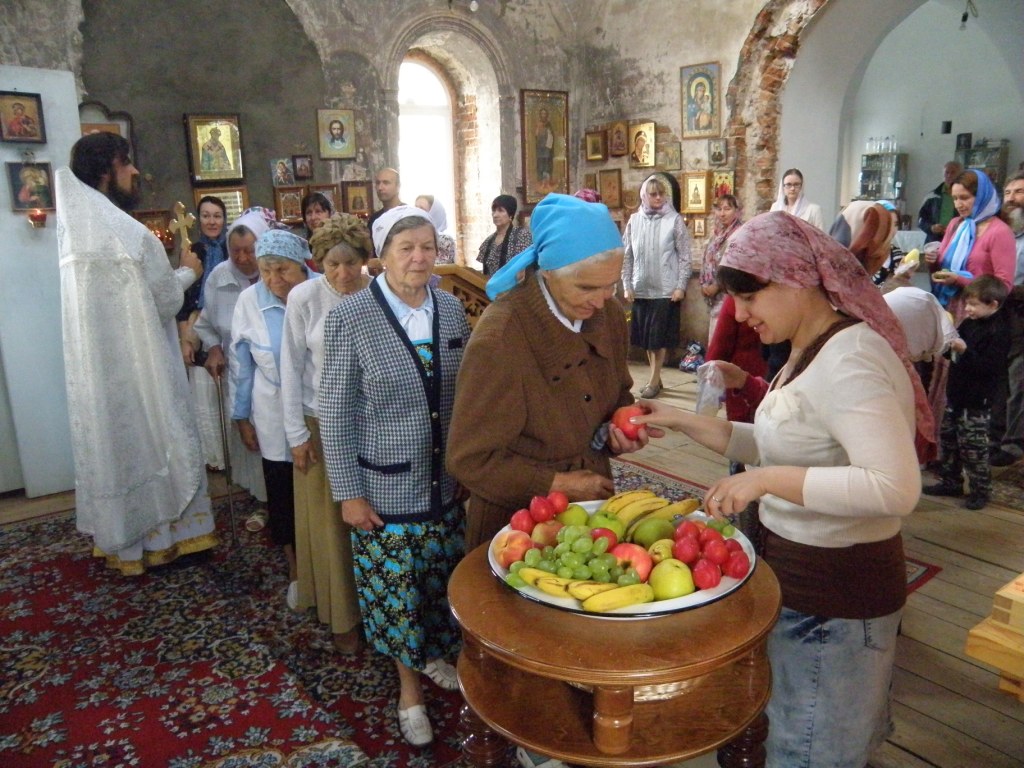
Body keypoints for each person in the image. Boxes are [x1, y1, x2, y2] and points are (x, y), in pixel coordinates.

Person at [634, 210, 932, 768]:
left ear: (793, 278)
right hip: (803, 586)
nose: (740, 316)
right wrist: (679, 420)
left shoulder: (851, 361)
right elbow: (778, 440)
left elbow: (894, 488)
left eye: (748, 299)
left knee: (811, 750)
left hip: (836, 600)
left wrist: (764, 483)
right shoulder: (812, 344)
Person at [318, 205, 471, 746]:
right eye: (406, 247)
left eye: (427, 246)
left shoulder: (451, 312)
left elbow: (468, 395)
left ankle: (436, 656)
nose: (419, 257)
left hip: (445, 480)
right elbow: (334, 412)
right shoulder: (349, 317)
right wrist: (348, 493)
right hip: (385, 487)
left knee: (440, 579)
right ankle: (409, 691)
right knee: (397, 593)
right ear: (380, 257)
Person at [54, 132, 217, 574]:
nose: (135, 172)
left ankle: (125, 544)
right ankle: (172, 538)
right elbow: (163, 300)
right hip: (143, 365)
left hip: (101, 371)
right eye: (128, 164)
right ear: (108, 168)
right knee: (157, 436)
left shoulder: (77, 230)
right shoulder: (126, 231)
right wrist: (189, 270)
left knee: (119, 444)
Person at [449, 193, 648, 550]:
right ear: (549, 271)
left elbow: (618, 394)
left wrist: (619, 427)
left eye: (611, 285)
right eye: (587, 287)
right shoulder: (501, 338)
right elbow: (470, 460)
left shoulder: (609, 316)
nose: (603, 299)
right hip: (516, 528)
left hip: (592, 514)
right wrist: (558, 483)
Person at [281, 213, 370, 653]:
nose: (342, 273)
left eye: (350, 262)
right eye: (332, 264)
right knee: (330, 529)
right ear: (318, 262)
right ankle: (341, 619)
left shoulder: (377, 293)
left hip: (370, 423)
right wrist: (296, 433)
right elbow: (290, 367)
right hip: (319, 424)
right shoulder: (304, 298)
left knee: (368, 522)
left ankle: (375, 610)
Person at [230, 230, 311, 607]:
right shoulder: (249, 302)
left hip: (317, 409)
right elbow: (242, 365)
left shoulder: (318, 290)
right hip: (272, 409)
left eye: (283, 270)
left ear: (302, 265)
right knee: (282, 491)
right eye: (266, 271)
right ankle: (295, 567)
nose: (275, 280)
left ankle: (328, 565)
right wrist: (242, 416)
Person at [191, 208, 277, 526]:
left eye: (250, 251)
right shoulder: (219, 277)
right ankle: (262, 502)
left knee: (277, 440)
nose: (242, 258)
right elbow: (205, 324)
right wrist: (214, 348)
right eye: (235, 251)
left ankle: (283, 503)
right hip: (240, 375)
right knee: (251, 441)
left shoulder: (277, 273)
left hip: (274, 376)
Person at [923, 276, 1010, 510]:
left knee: (973, 447)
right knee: (949, 440)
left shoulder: (1000, 330)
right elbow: (955, 353)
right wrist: (946, 346)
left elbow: (988, 367)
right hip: (957, 393)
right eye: (967, 304)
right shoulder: (970, 323)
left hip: (977, 400)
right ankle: (951, 481)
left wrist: (964, 350)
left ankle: (981, 490)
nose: (968, 309)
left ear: (993, 304)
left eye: (974, 305)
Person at [621, 174, 692, 398]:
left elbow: (685, 257)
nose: (659, 198)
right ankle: (657, 377)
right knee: (647, 340)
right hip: (641, 288)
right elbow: (627, 256)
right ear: (644, 195)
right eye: (653, 194)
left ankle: (652, 381)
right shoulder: (634, 221)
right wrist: (627, 284)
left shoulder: (674, 220)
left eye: (662, 194)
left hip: (665, 290)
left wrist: (680, 285)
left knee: (658, 339)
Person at [177, 195, 229, 470]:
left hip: (228, 328)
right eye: (206, 215)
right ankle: (215, 459)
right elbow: (183, 298)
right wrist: (186, 339)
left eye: (217, 215)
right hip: (198, 327)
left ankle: (237, 455)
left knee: (231, 396)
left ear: (225, 218)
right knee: (205, 397)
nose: (212, 221)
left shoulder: (235, 249)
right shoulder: (193, 251)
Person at [991, 172, 1024, 466]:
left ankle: (1013, 443)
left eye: (1020, 192)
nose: (1012, 198)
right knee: (998, 377)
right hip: (999, 311)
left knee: (1018, 380)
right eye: (1008, 192)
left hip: (1020, 312)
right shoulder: (1002, 233)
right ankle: (995, 434)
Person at [700, 194, 743, 338]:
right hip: (713, 297)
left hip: (729, 294)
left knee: (723, 338)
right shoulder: (717, 234)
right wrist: (704, 284)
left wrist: (717, 285)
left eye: (727, 209)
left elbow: (735, 265)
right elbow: (707, 259)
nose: (722, 213)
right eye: (719, 209)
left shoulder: (739, 234)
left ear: (736, 211)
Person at [477, 194, 532, 276]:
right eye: (494, 210)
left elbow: (526, 268)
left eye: (500, 210)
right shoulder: (489, 241)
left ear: (510, 215)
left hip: (515, 287)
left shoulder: (522, 236)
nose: (495, 215)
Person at [918, 161, 963, 244]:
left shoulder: (966, 197)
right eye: (947, 172)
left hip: (958, 240)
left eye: (953, 172)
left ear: (961, 175)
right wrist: (931, 227)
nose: (949, 175)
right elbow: (921, 220)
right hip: (934, 241)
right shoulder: (932, 196)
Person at [415, 194, 457, 265]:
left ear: (434, 213)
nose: (416, 212)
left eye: (422, 209)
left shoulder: (445, 240)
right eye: (415, 208)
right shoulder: (410, 235)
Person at [300, 191, 333, 271]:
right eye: (309, 213)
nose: (313, 217)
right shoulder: (301, 245)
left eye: (318, 211)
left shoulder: (338, 242)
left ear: (329, 214)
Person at [367, 167, 403, 236]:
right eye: (378, 183)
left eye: (386, 183)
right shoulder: (374, 219)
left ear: (398, 186)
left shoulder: (407, 214)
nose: (380, 188)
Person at [535, 107, 554, 182]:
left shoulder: (549, 124)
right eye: (542, 113)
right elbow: (536, 135)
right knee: (540, 163)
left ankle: (547, 180)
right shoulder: (538, 124)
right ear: (540, 115)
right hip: (540, 148)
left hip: (547, 147)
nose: (543, 115)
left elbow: (552, 135)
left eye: (545, 113)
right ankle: (540, 180)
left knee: (547, 163)